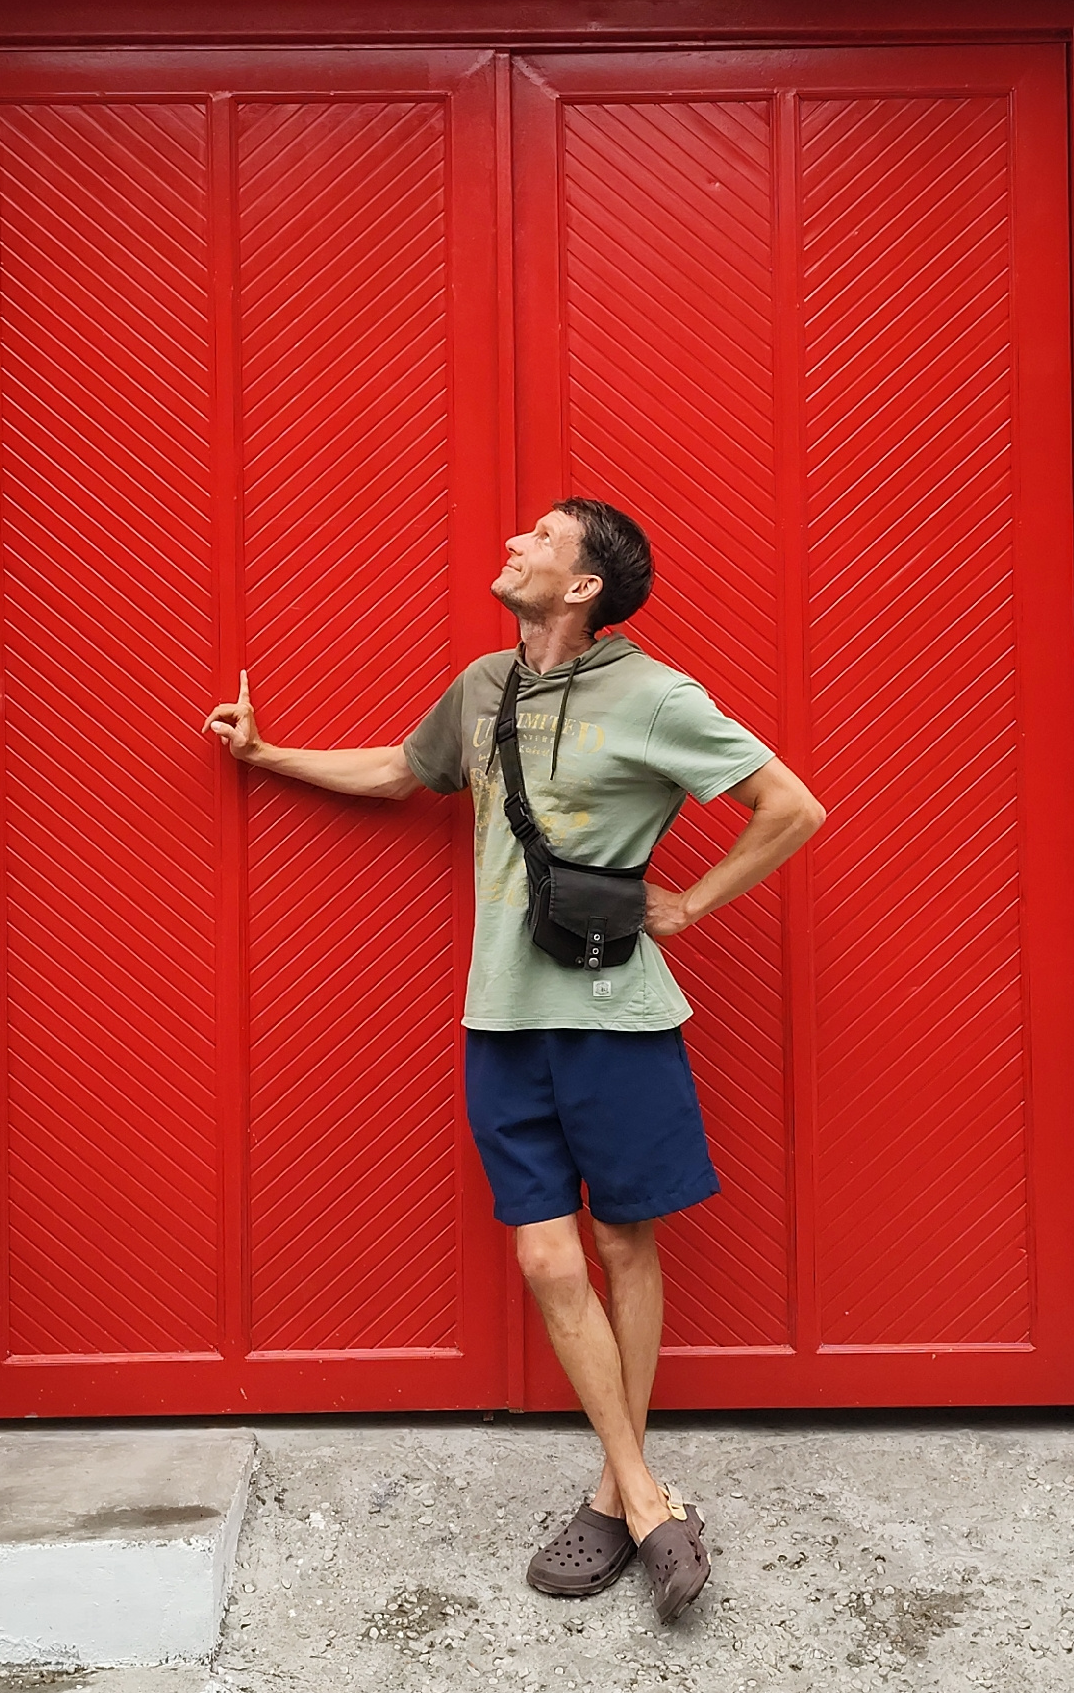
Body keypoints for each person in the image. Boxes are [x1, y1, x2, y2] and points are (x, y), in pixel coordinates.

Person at [204, 498, 825, 1623]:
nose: (514, 545)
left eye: (540, 539)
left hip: (616, 1016)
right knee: (547, 1260)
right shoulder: (484, 685)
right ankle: (647, 1496)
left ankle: (613, 1493)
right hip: (499, 1016)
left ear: (583, 585)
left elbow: (790, 807)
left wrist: (691, 903)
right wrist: (265, 752)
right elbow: (400, 772)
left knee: (622, 1243)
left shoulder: (656, 696)